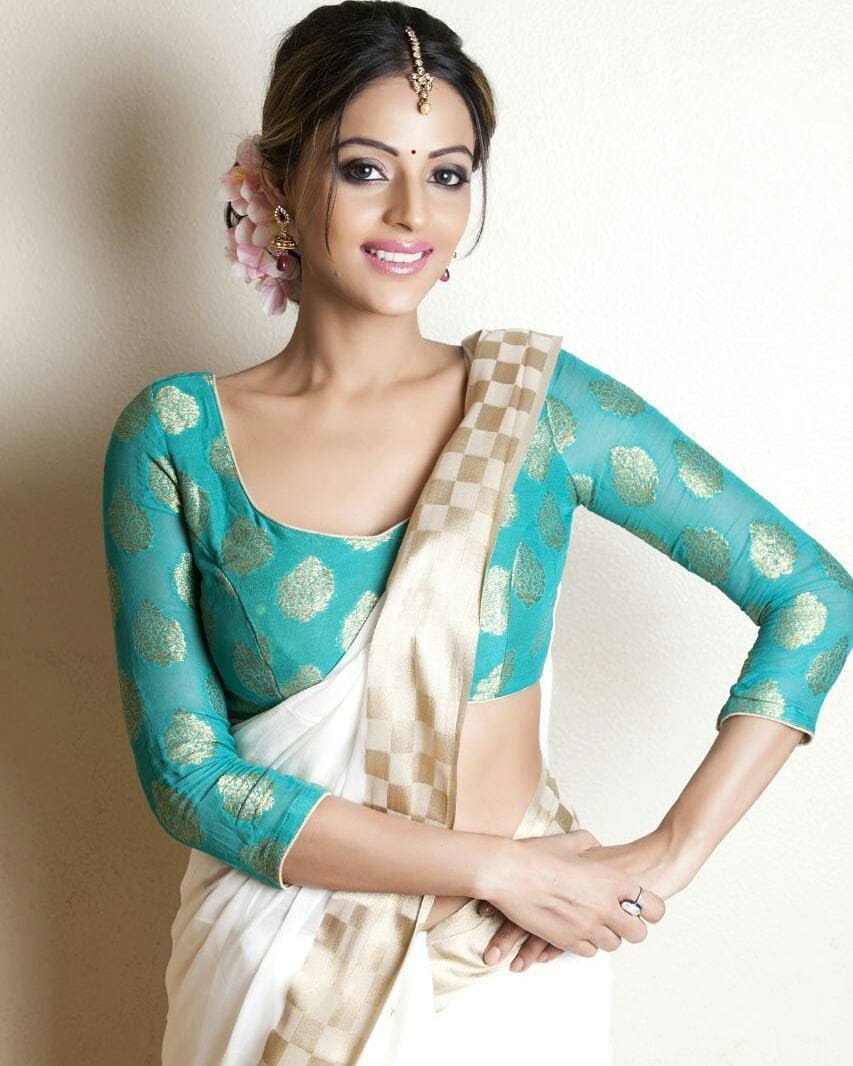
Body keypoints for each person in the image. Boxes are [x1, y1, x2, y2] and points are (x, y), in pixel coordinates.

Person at [100, 3, 853, 1063]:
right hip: (269, 970)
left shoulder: (538, 409)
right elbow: (187, 776)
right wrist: (497, 867)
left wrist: (667, 856)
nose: (412, 212)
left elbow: (812, 594)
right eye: (365, 168)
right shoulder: (177, 434)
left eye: (448, 174)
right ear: (274, 183)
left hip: (497, 977)